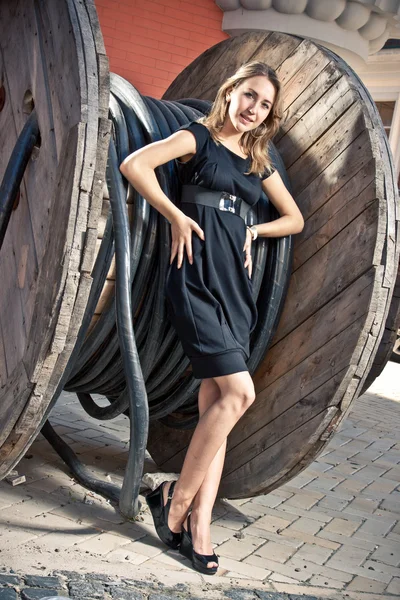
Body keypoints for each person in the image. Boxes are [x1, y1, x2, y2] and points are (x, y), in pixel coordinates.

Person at [120, 61, 304, 575]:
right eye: (249, 96)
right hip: (195, 278)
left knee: (217, 408)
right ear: (231, 92)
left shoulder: (255, 160)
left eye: (264, 104)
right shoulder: (196, 138)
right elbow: (135, 165)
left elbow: (295, 218)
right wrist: (175, 214)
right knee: (239, 394)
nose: (253, 109)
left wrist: (255, 232)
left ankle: (198, 525)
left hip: (236, 289)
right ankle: (174, 502)